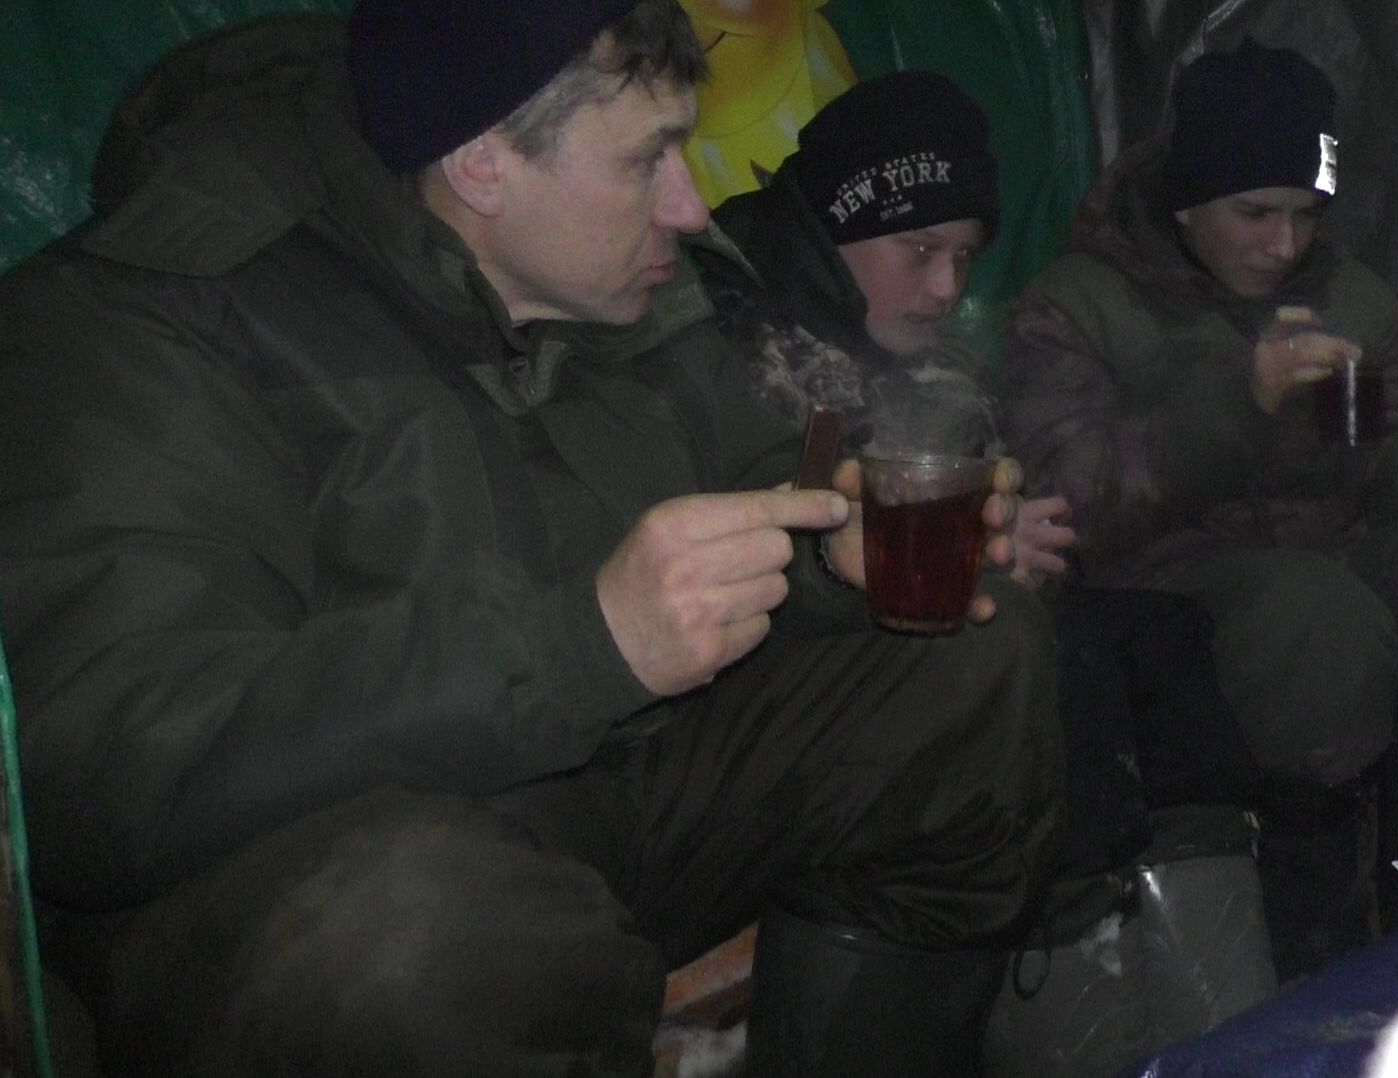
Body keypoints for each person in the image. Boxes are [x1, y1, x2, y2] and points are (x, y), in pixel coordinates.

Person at [0, 2, 1062, 1074]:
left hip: (609, 799)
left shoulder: (616, 279)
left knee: (974, 664)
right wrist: (579, 645)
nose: (691, 205)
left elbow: (753, 493)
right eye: (647, 159)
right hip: (315, 895)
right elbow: (107, 760)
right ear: (482, 162)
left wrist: (837, 552)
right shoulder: (140, 319)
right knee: (420, 940)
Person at [999, 40, 1398, 927]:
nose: (1284, 244)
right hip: (1168, 595)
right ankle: (1308, 909)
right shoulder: (1080, 306)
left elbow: (1381, 458)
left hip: (1343, 563)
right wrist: (1238, 402)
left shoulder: (1351, 300)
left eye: (1306, 214)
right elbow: (1064, 499)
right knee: (1314, 617)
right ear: (1187, 202)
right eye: (1254, 213)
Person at [693, 70, 1270, 960]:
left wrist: (1015, 542)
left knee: (1165, 641)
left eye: (963, 258)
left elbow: (1001, 501)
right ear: (832, 228)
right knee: (1057, 668)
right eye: (919, 250)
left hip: (917, 649)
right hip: (766, 694)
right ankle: (1067, 964)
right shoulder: (727, 342)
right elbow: (767, 556)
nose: (944, 287)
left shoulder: (935, 365)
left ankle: (1193, 973)